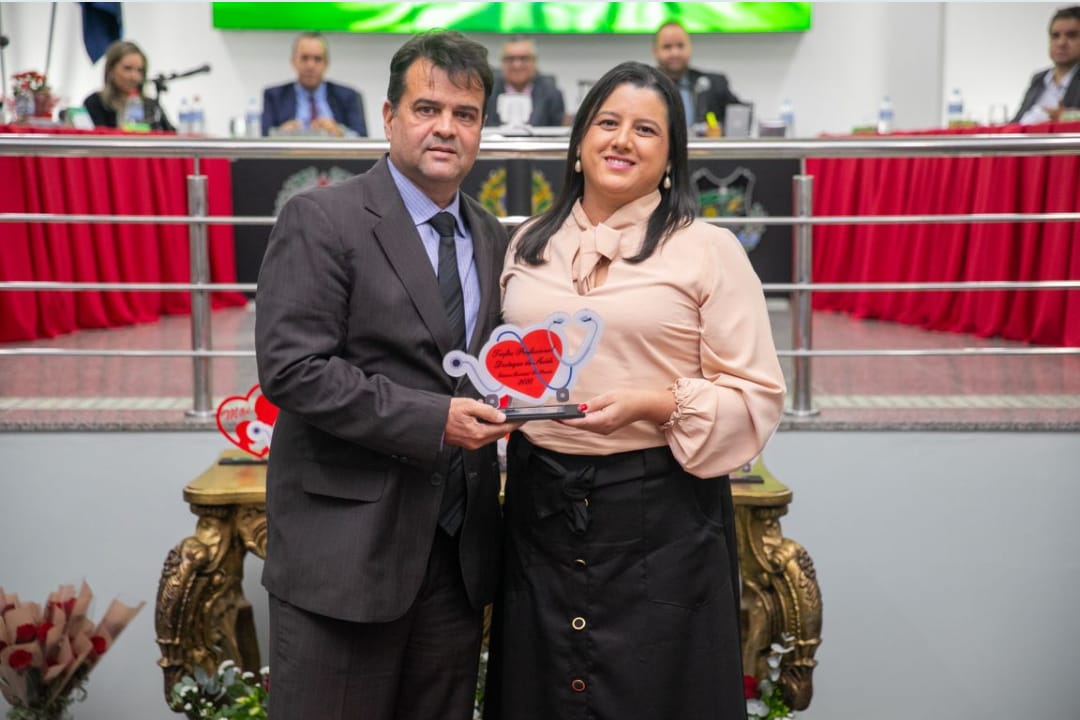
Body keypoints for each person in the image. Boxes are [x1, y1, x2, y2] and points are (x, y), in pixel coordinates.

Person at [483, 61, 786, 719]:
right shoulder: (526, 242)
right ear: (579, 141)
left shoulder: (709, 250)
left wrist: (656, 403)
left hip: (662, 513)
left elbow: (756, 398)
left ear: (672, 157)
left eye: (646, 129)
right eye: (608, 122)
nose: (622, 140)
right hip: (539, 509)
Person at [255, 29, 519, 720]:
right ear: (389, 116)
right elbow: (293, 369)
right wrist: (435, 420)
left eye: (465, 114)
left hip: (456, 562)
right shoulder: (322, 219)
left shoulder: (492, 236)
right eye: (427, 108)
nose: (446, 128)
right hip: (346, 558)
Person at [261, 31, 367, 136]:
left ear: (326, 63)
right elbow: (263, 137)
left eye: (317, 59)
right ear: (293, 61)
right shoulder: (274, 96)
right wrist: (280, 134)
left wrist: (340, 133)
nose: (310, 66)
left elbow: (362, 138)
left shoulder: (348, 96)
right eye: (304, 58)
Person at [652, 20, 743, 132]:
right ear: (655, 51)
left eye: (680, 46)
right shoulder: (643, 87)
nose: (675, 53)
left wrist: (721, 129)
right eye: (667, 47)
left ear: (690, 48)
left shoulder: (714, 84)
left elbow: (741, 117)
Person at [82, 40, 174, 131]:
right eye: (127, 69)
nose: (134, 77)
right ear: (111, 70)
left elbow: (172, 134)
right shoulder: (95, 102)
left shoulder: (151, 105)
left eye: (139, 70)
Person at [1013, 5, 1080, 124]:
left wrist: (1067, 117)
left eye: (1071, 35)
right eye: (1055, 36)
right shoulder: (1039, 79)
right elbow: (1016, 122)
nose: (1061, 43)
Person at [485, 36, 566, 127]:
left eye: (523, 59)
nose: (517, 65)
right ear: (502, 62)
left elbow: (556, 131)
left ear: (534, 61)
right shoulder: (488, 92)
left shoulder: (551, 93)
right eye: (510, 59)